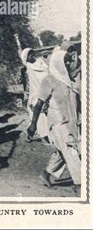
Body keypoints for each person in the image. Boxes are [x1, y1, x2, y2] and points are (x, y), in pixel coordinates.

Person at [27, 49, 81, 194]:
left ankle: (46, 174)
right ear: (58, 63)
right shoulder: (49, 80)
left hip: (71, 121)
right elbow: (39, 104)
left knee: (62, 151)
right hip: (58, 122)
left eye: (69, 61)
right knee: (71, 150)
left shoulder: (69, 80)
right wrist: (33, 125)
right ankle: (79, 183)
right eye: (66, 61)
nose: (69, 63)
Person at [20, 47, 49, 142]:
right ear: (25, 58)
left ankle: (34, 132)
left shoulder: (40, 63)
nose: (32, 55)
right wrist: (25, 93)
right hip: (35, 94)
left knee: (41, 117)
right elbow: (25, 82)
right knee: (39, 117)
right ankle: (44, 137)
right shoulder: (26, 67)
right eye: (29, 54)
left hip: (45, 91)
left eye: (32, 53)